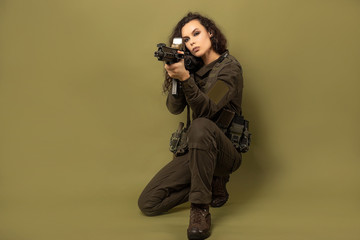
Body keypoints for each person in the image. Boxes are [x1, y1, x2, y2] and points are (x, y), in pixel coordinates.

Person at [138, 12, 244, 240]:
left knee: (201, 125)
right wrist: (178, 76)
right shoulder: (192, 69)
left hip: (226, 154)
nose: (192, 42)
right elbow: (174, 108)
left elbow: (207, 109)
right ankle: (210, 182)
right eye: (186, 39)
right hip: (198, 152)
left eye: (196, 33)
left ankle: (200, 208)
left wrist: (186, 78)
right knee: (148, 203)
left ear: (210, 33)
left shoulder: (229, 70)